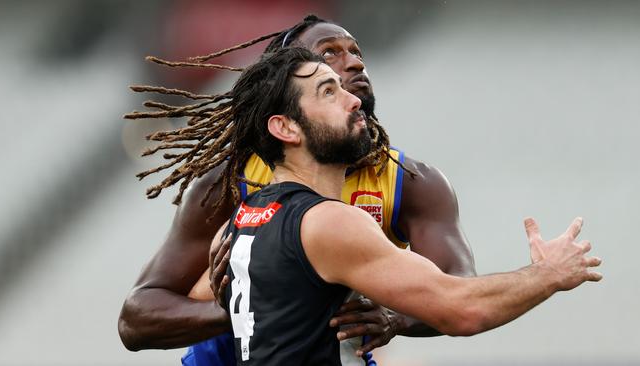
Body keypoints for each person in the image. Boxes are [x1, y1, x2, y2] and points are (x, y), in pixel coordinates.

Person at [185, 46, 601, 365]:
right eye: (328, 92)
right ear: (286, 127)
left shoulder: (238, 225)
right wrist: (549, 274)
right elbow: (462, 309)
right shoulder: (327, 223)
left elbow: (211, 303)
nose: (351, 100)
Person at [118, 14, 468, 364]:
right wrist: (247, 310)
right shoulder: (228, 182)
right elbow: (136, 319)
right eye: (329, 54)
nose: (356, 61)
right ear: (287, 79)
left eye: (355, 51)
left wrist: (397, 319)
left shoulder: (410, 183)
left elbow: (461, 291)